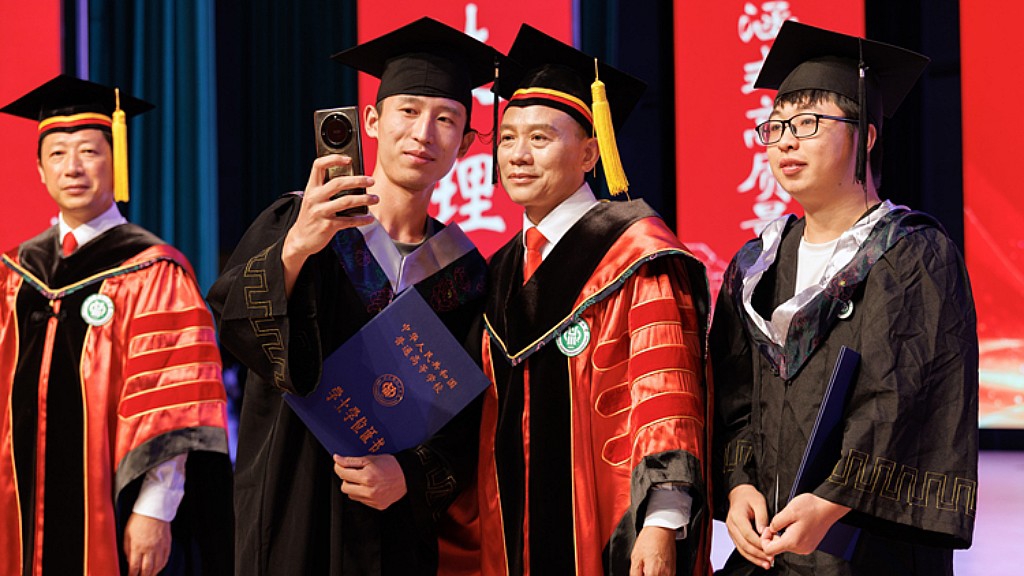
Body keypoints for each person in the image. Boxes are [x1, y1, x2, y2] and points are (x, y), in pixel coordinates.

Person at [206, 17, 501, 576]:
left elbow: (467, 418)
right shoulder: (299, 221)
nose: (423, 133)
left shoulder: (464, 275)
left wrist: (409, 475)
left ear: (464, 144)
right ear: (371, 121)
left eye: (445, 119)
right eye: (408, 110)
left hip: (393, 523)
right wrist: (296, 248)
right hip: (292, 495)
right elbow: (235, 330)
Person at [711, 21, 978, 575]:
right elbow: (733, 395)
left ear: (867, 137)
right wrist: (738, 485)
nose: (785, 140)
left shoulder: (912, 254)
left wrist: (831, 501)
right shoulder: (756, 265)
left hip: (866, 550)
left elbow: (902, 399)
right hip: (768, 550)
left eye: (808, 122)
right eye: (776, 125)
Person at [476, 24, 713, 576]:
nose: (518, 155)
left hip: (612, 533)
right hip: (506, 543)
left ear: (589, 153)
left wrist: (661, 523)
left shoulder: (635, 253)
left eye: (540, 139)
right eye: (507, 139)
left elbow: (666, 393)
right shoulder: (497, 270)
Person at [0, 75, 233, 576]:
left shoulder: (153, 270)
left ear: (117, 159)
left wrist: (155, 509)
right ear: (39, 170)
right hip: (16, 506)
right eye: (57, 154)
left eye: (89, 151)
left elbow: (174, 401)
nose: (73, 167)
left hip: (117, 509)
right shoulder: (14, 272)